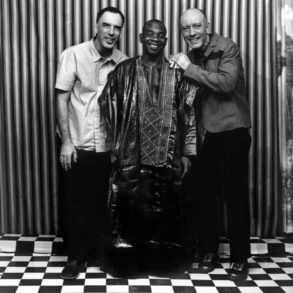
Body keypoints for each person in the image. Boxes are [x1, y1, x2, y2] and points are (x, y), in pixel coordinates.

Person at [99, 19, 197, 272]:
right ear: (141, 38)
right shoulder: (124, 70)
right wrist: (117, 145)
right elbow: (107, 105)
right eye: (150, 34)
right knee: (130, 211)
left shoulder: (177, 73)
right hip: (133, 154)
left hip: (168, 154)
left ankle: (163, 265)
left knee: (164, 212)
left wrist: (187, 152)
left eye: (161, 35)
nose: (155, 39)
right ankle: (127, 265)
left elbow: (189, 112)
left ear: (166, 40)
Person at [171, 8, 252, 281]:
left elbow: (228, 84)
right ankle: (209, 252)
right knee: (205, 196)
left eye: (196, 26)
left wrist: (189, 69)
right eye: (185, 29)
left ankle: (240, 257)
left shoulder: (227, 47)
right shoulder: (191, 56)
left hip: (232, 132)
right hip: (205, 136)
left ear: (208, 26)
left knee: (235, 197)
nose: (191, 33)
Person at [55, 7, 127, 280]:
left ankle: (99, 254)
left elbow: (124, 108)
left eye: (117, 27)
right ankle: (75, 257)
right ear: (96, 26)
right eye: (106, 25)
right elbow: (61, 98)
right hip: (76, 141)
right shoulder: (73, 54)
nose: (111, 32)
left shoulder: (124, 61)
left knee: (102, 202)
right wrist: (67, 143)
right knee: (74, 201)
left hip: (106, 146)